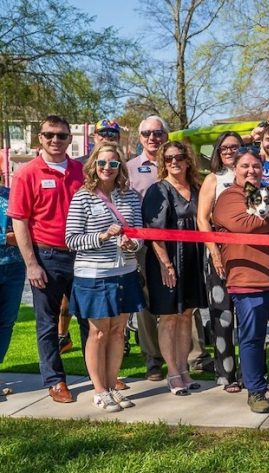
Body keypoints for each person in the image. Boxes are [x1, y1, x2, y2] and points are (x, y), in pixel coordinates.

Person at [212, 151, 269, 413]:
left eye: (256, 166)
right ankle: (256, 391)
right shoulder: (229, 197)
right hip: (248, 281)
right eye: (245, 166)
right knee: (252, 338)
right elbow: (247, 224)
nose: (251, 170)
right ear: (235, 168)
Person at [8, 115, 87, 403]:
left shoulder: (81, 171)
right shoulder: (27, 173)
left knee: (91, 318)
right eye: (49, 135)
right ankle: (55, 381)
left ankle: (100, 374)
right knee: (47, 323)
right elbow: (19, 221)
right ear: (40, 138)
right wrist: (31, 264)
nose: (55, 140)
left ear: (70, 139)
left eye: (61, 135)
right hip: (47, 256)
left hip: (83, 255)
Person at [65, 142, 143, 412]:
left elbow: (139, 234)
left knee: (118, 332)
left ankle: (112, 386)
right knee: (98, 333)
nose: (107, 168)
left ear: (120, 166)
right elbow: (71, 239)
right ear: (93, 166)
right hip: (94, 274)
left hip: (125, 271)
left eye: (113, 163)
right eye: (102, 163)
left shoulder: (130, 197)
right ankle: (99, 390)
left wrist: (132, 244)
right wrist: (103, 236)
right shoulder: (82, 197)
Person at [142, 140, 208, 396]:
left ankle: (183, 370)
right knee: (169, 317)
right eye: (168, 158)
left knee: (186, 315)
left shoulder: (197, 188)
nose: (174, 162)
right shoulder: (158, 190)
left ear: (188, 159)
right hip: (167, 261)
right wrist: (165, 264)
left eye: (179, 157)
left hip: (193, 260)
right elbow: (153, 231)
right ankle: (172, 373)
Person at [62, 118, 123, 358]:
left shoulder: (121, 165)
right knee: (71, 307)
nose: (108, 136)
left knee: (115, 325)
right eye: (103, 133)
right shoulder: (78, 165)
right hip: (81, 247)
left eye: (113, 133)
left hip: (118, 260)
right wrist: (101, 235)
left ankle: (109, 364)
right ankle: (63, 337)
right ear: (93, 136)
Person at [197, 132, 243, 392]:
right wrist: (213, 251)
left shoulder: (251, 176)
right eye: (224, 147)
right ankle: (226, 375)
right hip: (219, 258)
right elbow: (202, 219)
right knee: (222, 317)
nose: (229, 151)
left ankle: (250, 373)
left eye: (234, 147)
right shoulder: (213, 179)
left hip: (247, 258)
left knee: (248, 318)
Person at [127, 115, 169, 381]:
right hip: (142, 244)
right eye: (147, 133)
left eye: (158, 132)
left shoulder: (177, 162)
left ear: (166, 136)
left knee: (182, 298)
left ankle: (196, 356)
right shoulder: (129, 168)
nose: (153, 137)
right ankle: (153, 359)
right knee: (145, 302)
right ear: (140, 137)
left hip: (175, 241)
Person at [0, 168, 25, 394]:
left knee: (7, 322)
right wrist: (4, 238)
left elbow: (28, 223)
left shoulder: (11, 194)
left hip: (15, 267)